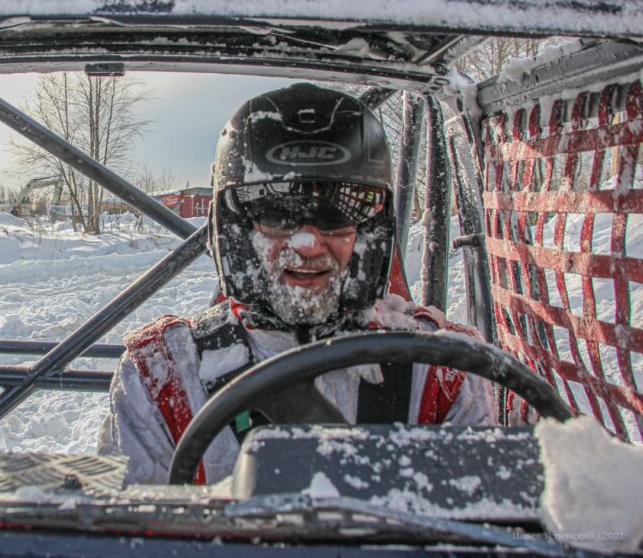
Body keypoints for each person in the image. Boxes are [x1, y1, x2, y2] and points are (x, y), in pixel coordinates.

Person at [97, 83, 496, 485]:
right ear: (237, 231)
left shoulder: (446, 371)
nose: (307, 244)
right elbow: (128, 520)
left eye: (337, 214)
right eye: (276, 214)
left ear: (369, 233)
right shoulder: (160, 375)